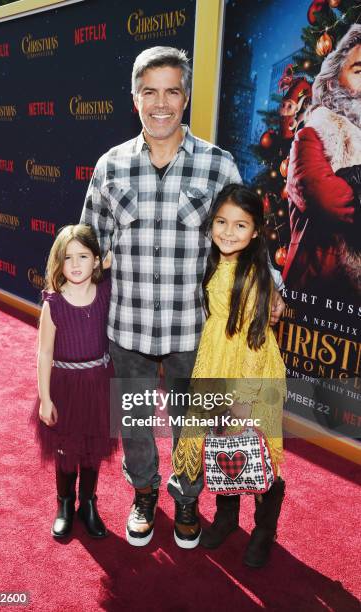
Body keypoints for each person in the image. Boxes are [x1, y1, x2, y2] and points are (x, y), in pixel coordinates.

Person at [80, 46, 285, 548]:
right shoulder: (110, 167)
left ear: (186, 96)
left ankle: (188, 497)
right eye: (150, 92)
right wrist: (63, 296)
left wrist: (273, 289)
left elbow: (248, 236)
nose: (161, 103)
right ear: (135, 99)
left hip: (192, 330)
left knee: (190, 423)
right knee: (133, 420)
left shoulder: (218, 166)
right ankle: (145, 493)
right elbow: (88, 242)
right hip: (127, 326)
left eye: (172, 90)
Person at [173, 184, 286, 567]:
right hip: (216, 364)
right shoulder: (212, 259)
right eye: (221, 222)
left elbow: (255, 344)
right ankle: (226, 518)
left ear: (256, 231)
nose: (227, 232)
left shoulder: (256, 275)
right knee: (223, 445)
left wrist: (243, 399)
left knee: (258, 449)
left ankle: (265, 530)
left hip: (251, 374)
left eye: (240, 225)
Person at [35, 224, 116, 539]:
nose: (76, 264)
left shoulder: (106, 292)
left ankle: (89, 503)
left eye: (84, 256)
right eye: (68, 258)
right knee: (67, 450)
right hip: (65, 387)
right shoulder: (53, 303)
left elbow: (119, 258)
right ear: (59, 262)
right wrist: (45, 398)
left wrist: (106, 261)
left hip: (98, 383)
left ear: (96, 260)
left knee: (93, 447)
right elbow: (44, 354)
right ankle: (65, 504)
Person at [283, 25, 361, 298]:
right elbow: (325, 199)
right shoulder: (313, 133)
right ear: (332, 81)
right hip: (316, 290)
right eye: (359, 71)